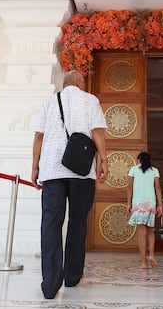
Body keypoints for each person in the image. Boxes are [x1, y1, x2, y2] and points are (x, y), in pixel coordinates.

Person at [31, 70, 108, 299]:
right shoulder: (90, 100)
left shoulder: (48, 101)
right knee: (77, 222)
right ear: (79, 83)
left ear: (64, 84)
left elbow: (38, 137)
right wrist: (103, 159)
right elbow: (97, 132)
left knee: (51, 223)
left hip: (52, 170)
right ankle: (72, 277)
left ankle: (50, 284)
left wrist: (35, 166)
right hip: (82, 172)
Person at [127, 151, 163, 269]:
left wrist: (128, 204)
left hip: (138, 202)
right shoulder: (154, 171)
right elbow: (157, 188)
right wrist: (160, 205)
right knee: (151, 230)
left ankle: (143, 262)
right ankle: (152, 255)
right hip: (151, 202)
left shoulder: (133, 169)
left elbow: (129, 187)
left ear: (139, 160)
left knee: (141, 232)